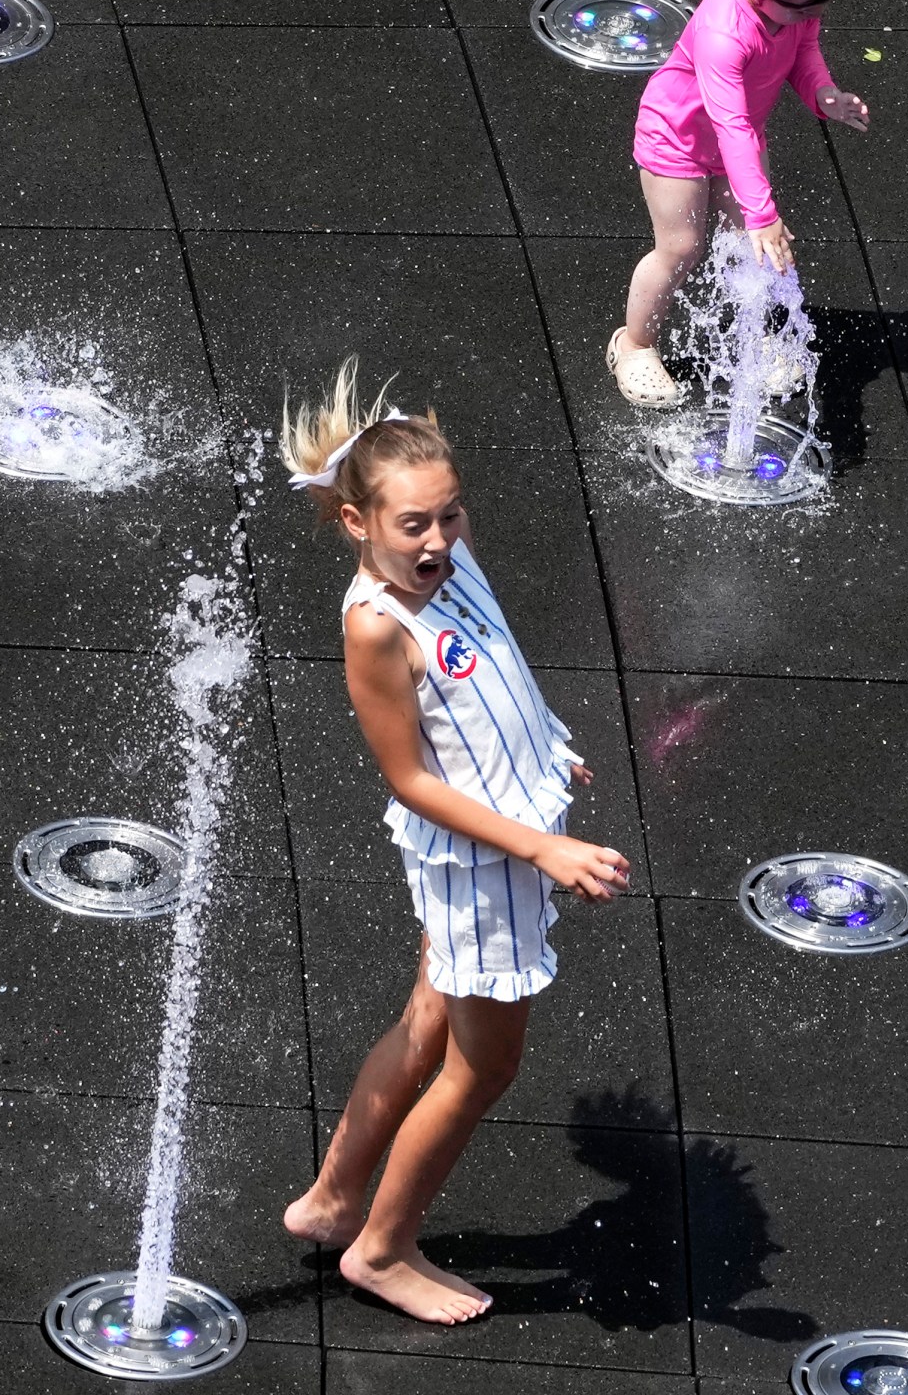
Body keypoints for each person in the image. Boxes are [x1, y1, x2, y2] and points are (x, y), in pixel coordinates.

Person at [275, 360, 632, 1324]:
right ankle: (383, 1252)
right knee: (484, 1065)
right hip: (483, 861)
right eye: (414, 525)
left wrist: (549, 746)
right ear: (358, 526)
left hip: (505, 834)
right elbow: (412, 778)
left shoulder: (447, 560)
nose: (439, 540)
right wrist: (544, 848)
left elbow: (498, 665)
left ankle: (336, 1198)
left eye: (450, 514)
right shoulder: (375, 624)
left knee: (429, 1020)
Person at [609, 0, 872, 408]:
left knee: (756, 250)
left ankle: (754, 338)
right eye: (803, 11)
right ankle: (633, 346)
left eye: (818, 10)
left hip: (741, 138)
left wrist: (822, 93)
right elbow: (729, 125)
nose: (811, 19)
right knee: (681, 247)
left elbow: (802, 51)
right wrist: (762, 214)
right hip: (677, 137)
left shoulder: (793, 3)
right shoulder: (723, 33)